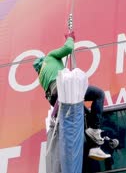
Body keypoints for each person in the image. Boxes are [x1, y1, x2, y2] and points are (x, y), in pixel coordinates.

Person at [33, 31, 110, 160]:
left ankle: (94, 148)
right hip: (63, 89)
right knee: (99, 94)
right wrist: (70, 38)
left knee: (86, 116)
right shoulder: (50, 57)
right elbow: (68, 48)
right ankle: (95, 129)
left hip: (56, 98)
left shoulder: (41, 76)